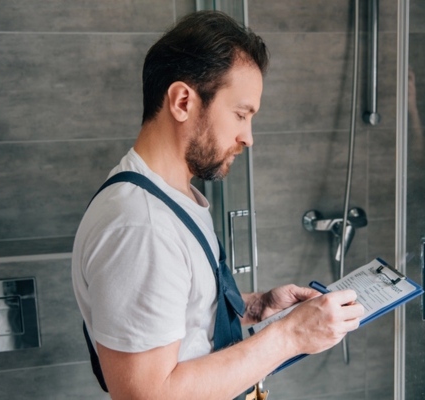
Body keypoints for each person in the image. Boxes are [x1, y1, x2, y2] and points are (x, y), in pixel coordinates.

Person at [72, 11, 364, 400]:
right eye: (241, 114)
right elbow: (146, 395)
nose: (248, 137)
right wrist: (291, 335)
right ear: (182, 101)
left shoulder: (169, 198)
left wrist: (255, 307)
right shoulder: (142, 226)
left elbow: (177, 312)